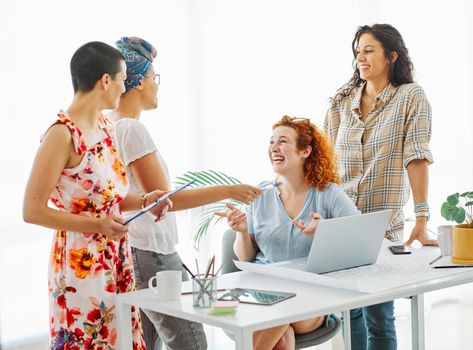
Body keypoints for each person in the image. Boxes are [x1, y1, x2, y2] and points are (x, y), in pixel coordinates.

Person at [109, 36, 262, 350]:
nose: (157, 86)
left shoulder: (109, 125)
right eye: (155, 78)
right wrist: (229, 190)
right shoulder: (131, 129)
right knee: (191, 343)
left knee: (147, 342)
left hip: (135, 251)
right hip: (152, 252)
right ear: (137, 82)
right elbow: (165, 201)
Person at [22, 41, 172, 349]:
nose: (123, 86)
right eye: (121, 78)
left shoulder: (106, 127)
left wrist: (145, 200)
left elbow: (108, 199)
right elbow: (32, 210)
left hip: (116, 257)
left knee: (124, 340)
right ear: (106, 80)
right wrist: (99, 227)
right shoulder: (61, 134)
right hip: (80, 266)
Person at [324, 24, 435, 350]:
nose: (360, 57)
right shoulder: (342, 101)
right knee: (348, 315)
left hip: (382, 228)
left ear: (391, 56)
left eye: (369, 50)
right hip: (340, 226)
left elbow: (417, 156)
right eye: (358, 50)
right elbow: (326, 165)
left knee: (379, 316)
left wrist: (422, 218)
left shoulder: (410, 97)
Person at [216, 116, 360, 350]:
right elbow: (244, 259)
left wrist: (325, 233)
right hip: (262, 292)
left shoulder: (329, 194)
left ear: (305, 151)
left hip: (312, 298)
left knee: (281, 313)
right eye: (271, 141)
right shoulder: (259, 196)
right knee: (282, 338)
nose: (274, 147)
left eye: (282, 141)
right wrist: (242, 232)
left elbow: (359, 240)